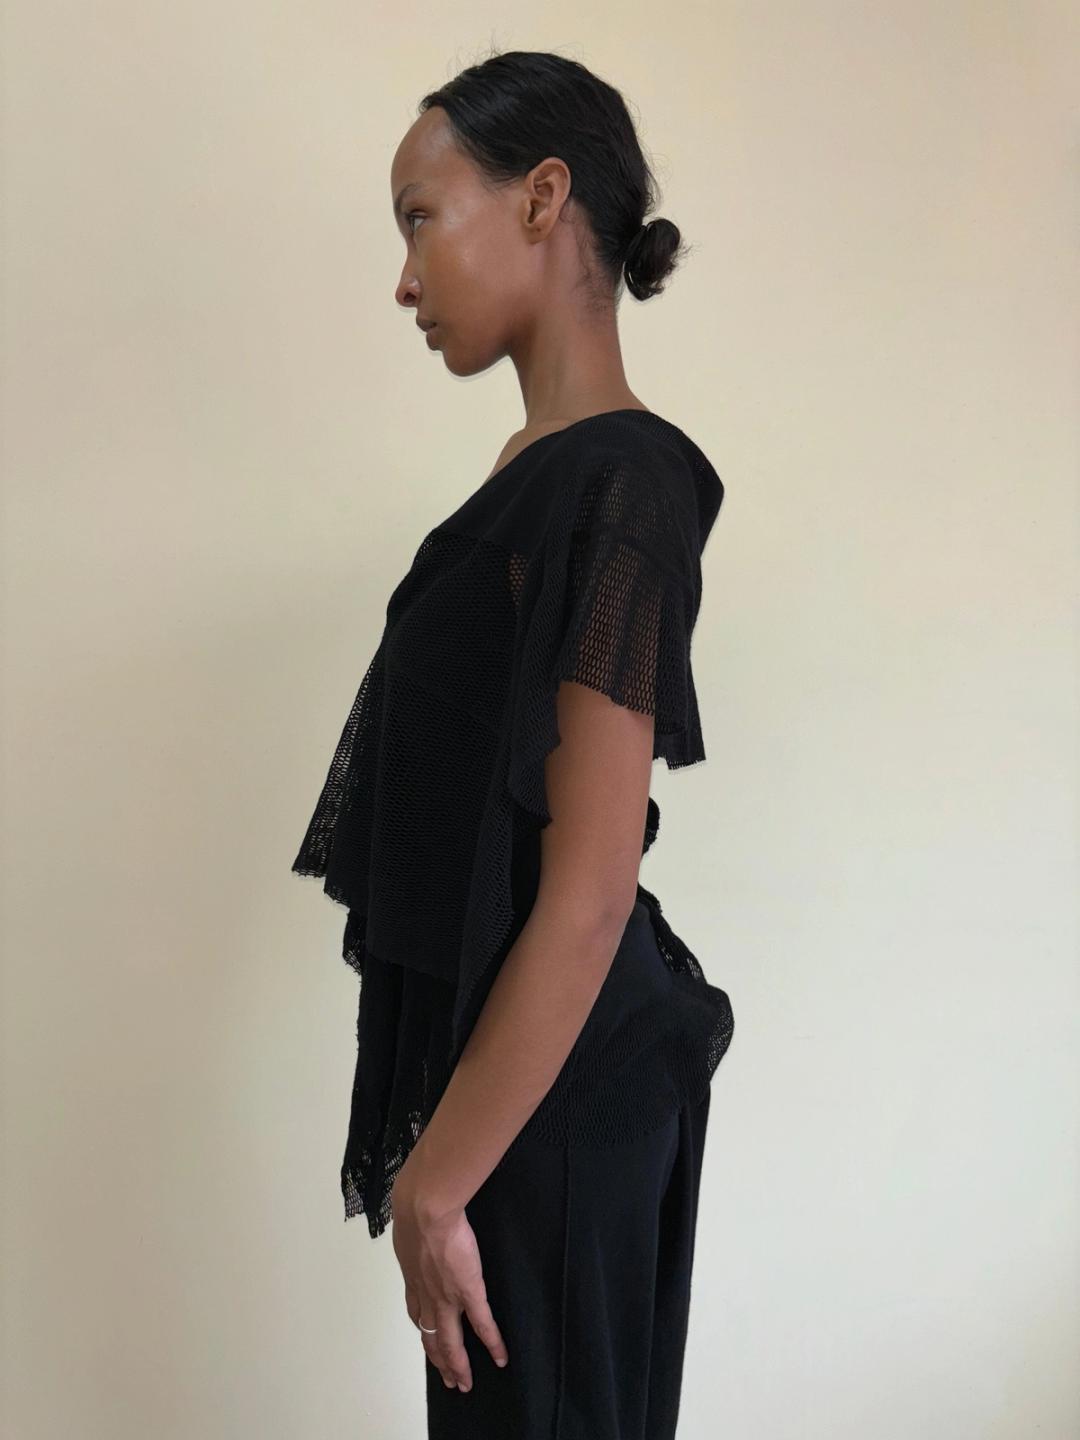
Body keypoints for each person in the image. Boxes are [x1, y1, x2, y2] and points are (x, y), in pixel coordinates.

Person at [291, 47, 735, 1439]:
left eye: (421, 217)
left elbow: (591, 885)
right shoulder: (541, 473)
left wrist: (436, 1183)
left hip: (560, 1097)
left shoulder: (622, 479)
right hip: (520, 1092)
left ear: (543, 198)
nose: (405, 280)